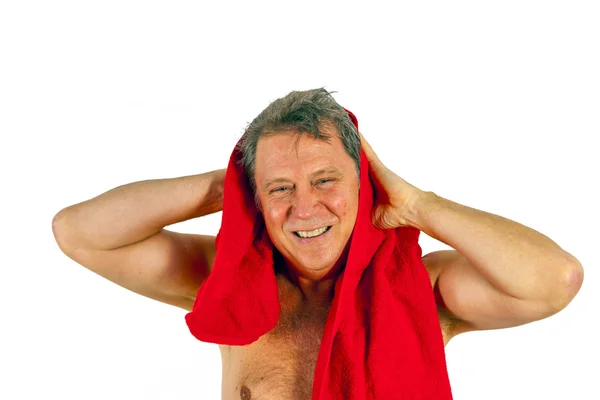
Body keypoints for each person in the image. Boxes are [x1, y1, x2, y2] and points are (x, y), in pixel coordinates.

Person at [52, 88, 584, 400]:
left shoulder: (426, 288)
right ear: (255, 198)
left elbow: (553, 280)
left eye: (325, 180)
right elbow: (79, 232)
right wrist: (229, 185)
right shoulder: (226, 282)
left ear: (364, 182)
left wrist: (420, 205)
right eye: (280, 188)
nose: (304, 209)